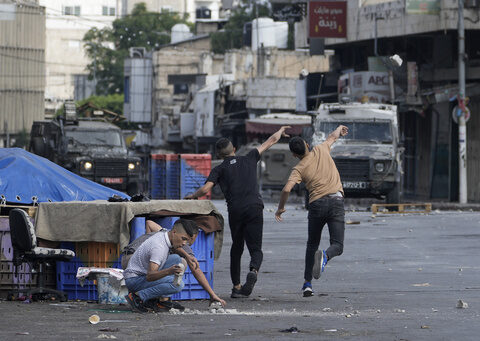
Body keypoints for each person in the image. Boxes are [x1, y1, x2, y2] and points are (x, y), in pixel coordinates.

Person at [185, 126, 291, 298]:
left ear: (219, 155)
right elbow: (270, 141)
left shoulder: (218, 169)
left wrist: (192, 196)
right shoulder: (249, 158)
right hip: (255, 207)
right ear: (234, 149)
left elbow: (205, 189)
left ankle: (236, 287)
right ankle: (254, 271)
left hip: (236, 210)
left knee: (237, 248)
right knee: (255, 248)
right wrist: (280, 131)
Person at [275, 125, 348, 297]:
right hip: (336, 201)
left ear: (294, 155)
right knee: (337, 245)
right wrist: (339, 128)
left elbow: (286, 189)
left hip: (316, 205)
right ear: (307, 145)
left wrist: (280, 208)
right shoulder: (322, 149)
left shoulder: (298, 169)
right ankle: (325, 256)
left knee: (311, 245)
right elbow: (332, 136)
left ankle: (307, 284)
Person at [144, 219, 226, 307]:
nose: (186, 242)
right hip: (142, 272)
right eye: (186, 238)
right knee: (180, 263)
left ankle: (154, 297)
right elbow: (195, 269)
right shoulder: (181, 244)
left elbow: (149, 223)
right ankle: (163, 299)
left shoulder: (166, 233)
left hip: (137, 265)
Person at [123, 219, 198, 312]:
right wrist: (169, 271)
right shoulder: (159, 248)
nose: (184, 243)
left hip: (139, 274)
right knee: (177, 284)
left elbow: (177, 247)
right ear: (174, 232)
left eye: (186, 240)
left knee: (176, 259)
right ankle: (138, 297)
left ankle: (161, 301)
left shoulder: (165, 234)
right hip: (135, 280)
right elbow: (150, 276)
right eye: (183, 239)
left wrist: (188, 256)